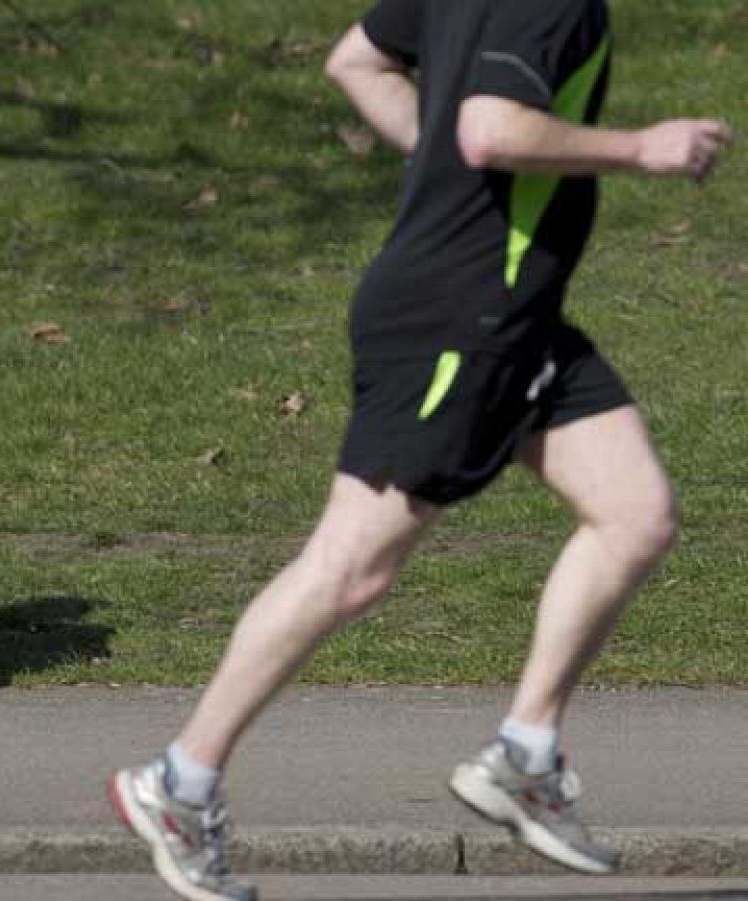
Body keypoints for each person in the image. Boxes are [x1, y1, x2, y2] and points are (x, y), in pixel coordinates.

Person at [107, 2, 732, 898]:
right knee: (351, 565)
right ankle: (181, 779)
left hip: (517, 321)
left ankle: (524, 751)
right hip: (458, 316)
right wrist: (642, 147)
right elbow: (488, 128)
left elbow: (355, 62)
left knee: (635, 515)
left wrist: (437, 161)